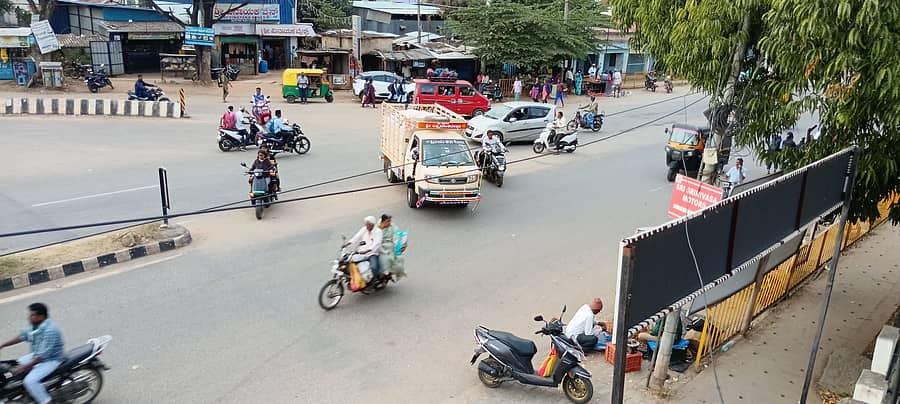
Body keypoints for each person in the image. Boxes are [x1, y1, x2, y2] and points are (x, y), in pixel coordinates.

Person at [0, 303, 65, 404]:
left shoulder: (50, 331)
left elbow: (43, 356)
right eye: (30, 314)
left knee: (30, 381)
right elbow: (21, 337)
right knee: (14, 366)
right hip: (37, 355)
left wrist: (25, 367)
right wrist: (3, 345)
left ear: (41, 316)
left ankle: (46, 401)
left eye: (32, 315)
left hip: (52, 359)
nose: (29, 317)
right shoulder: (35, 326)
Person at [378, 214, 407, 279]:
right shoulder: (377, 227)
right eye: (388, 221)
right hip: (377, 245)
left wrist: (398, 247)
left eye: (390, 221)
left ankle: (387, 272)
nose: (389, 223)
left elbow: (396, 237)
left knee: (390, 258)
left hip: (389, 246)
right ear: (383, 221)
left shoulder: (393, 227)